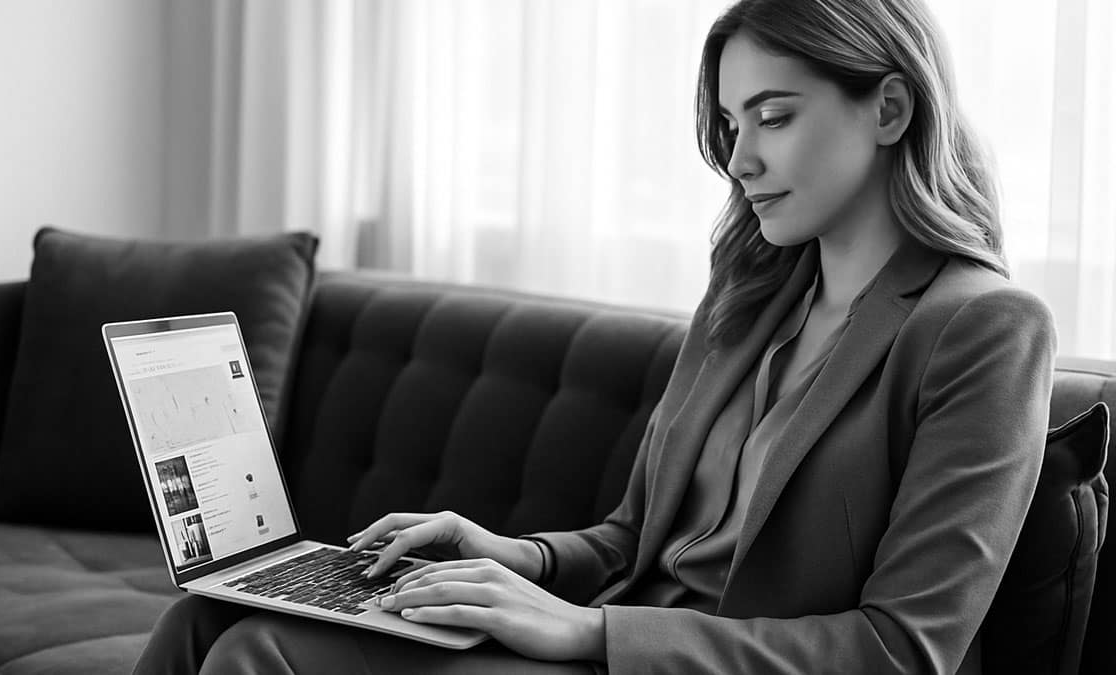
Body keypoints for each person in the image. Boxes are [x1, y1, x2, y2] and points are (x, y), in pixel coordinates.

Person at [135, 0, 1056, 672]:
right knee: (201, 622)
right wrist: (510, 557)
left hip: (659, 660)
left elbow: (902, 647)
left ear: (890, 110)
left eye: (775, 117)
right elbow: (632, 542)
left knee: (260, 654)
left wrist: (587, 633)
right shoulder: (751, 295)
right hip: (601, 640)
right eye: (734, 125)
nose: (740, 159)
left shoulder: (983, 328)